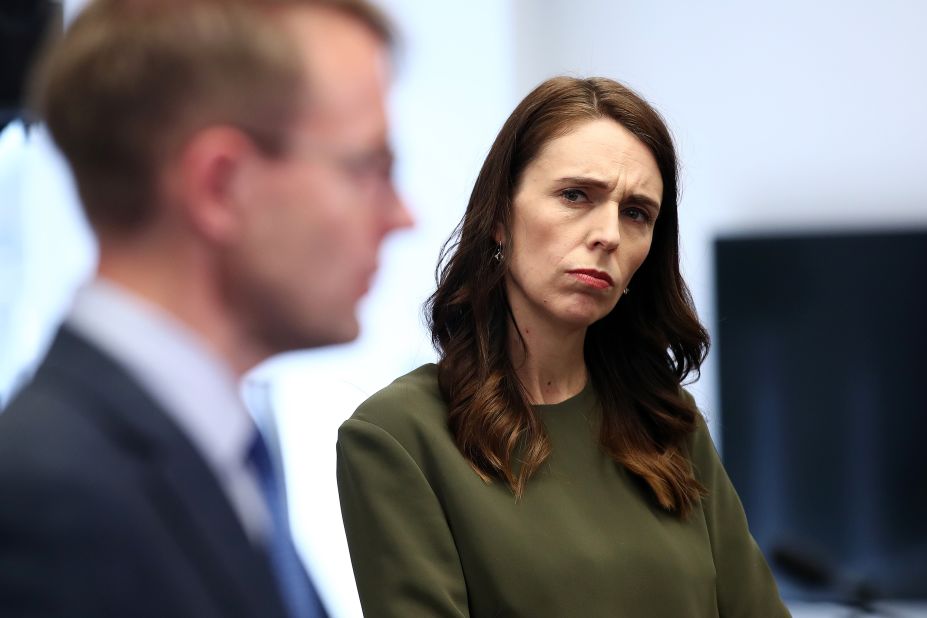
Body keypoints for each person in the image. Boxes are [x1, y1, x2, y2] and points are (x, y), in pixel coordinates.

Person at [0, 0, 411, 616]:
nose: (403, 216)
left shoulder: (220, 456)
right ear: (220, 186)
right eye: (369, 168)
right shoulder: (49, 497)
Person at [337, 76, 790, 617]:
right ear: (500, 217)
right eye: (576, 195)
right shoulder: (398, 435)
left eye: (636, 212)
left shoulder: (667, 421)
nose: (609, 235)